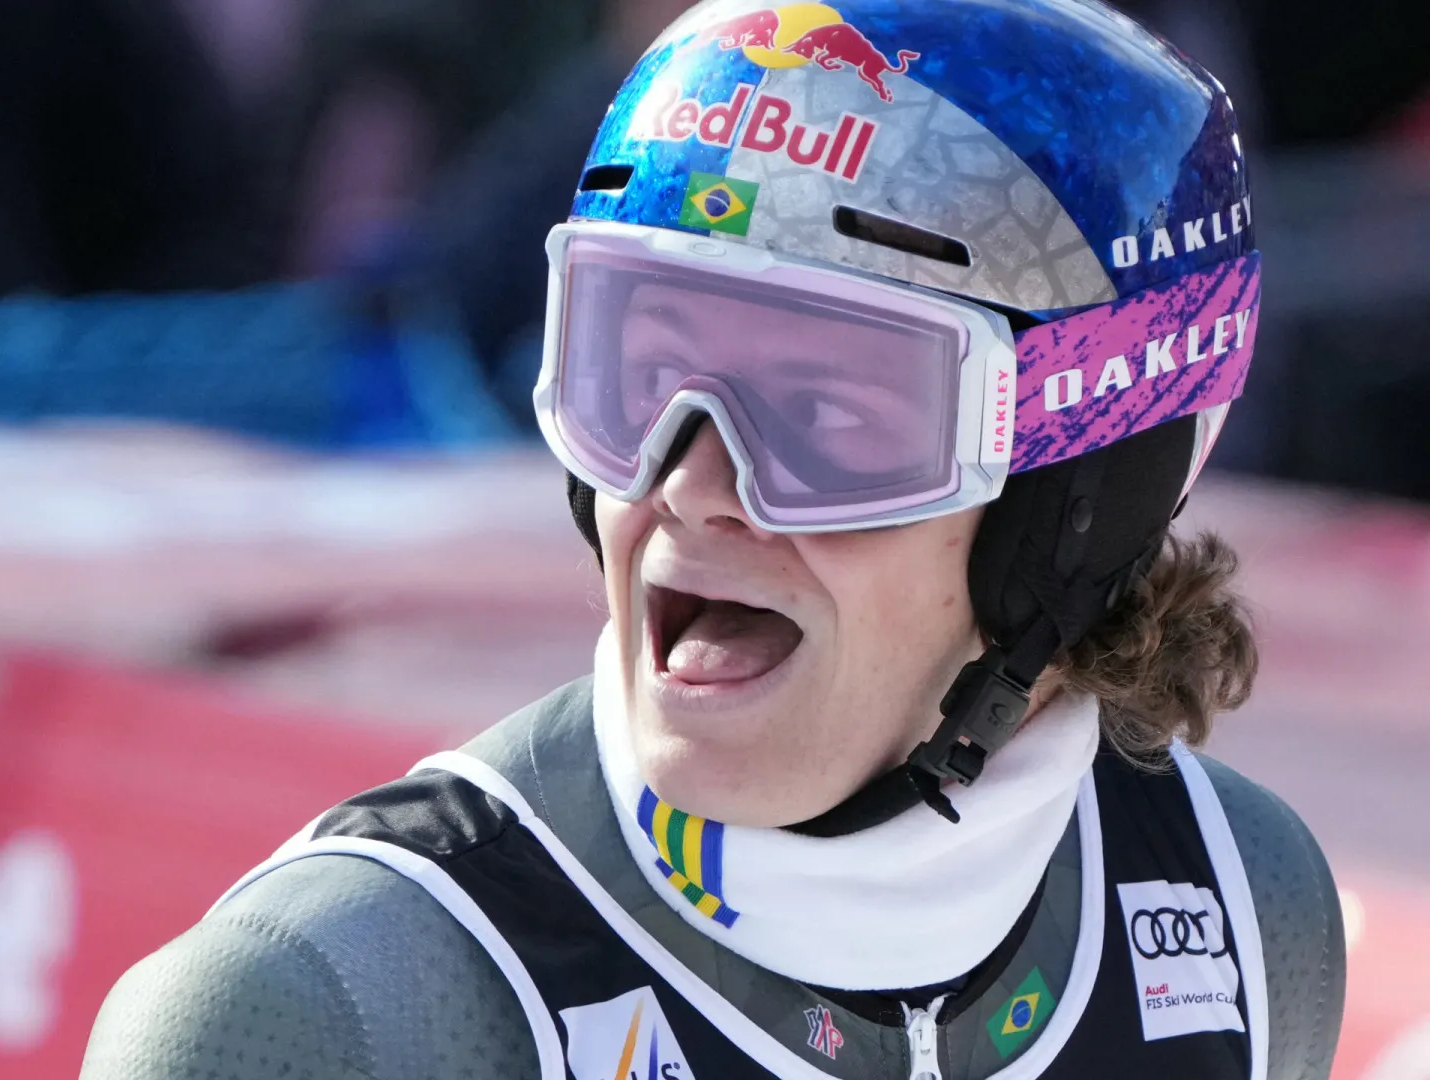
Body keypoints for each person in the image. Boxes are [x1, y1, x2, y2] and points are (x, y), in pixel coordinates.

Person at [81, 2, 1346, 1077]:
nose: (693, 486)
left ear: (1083, 503)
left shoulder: (1243, 912)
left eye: (829, 412)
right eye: (641, 374)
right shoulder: (333, 1009)